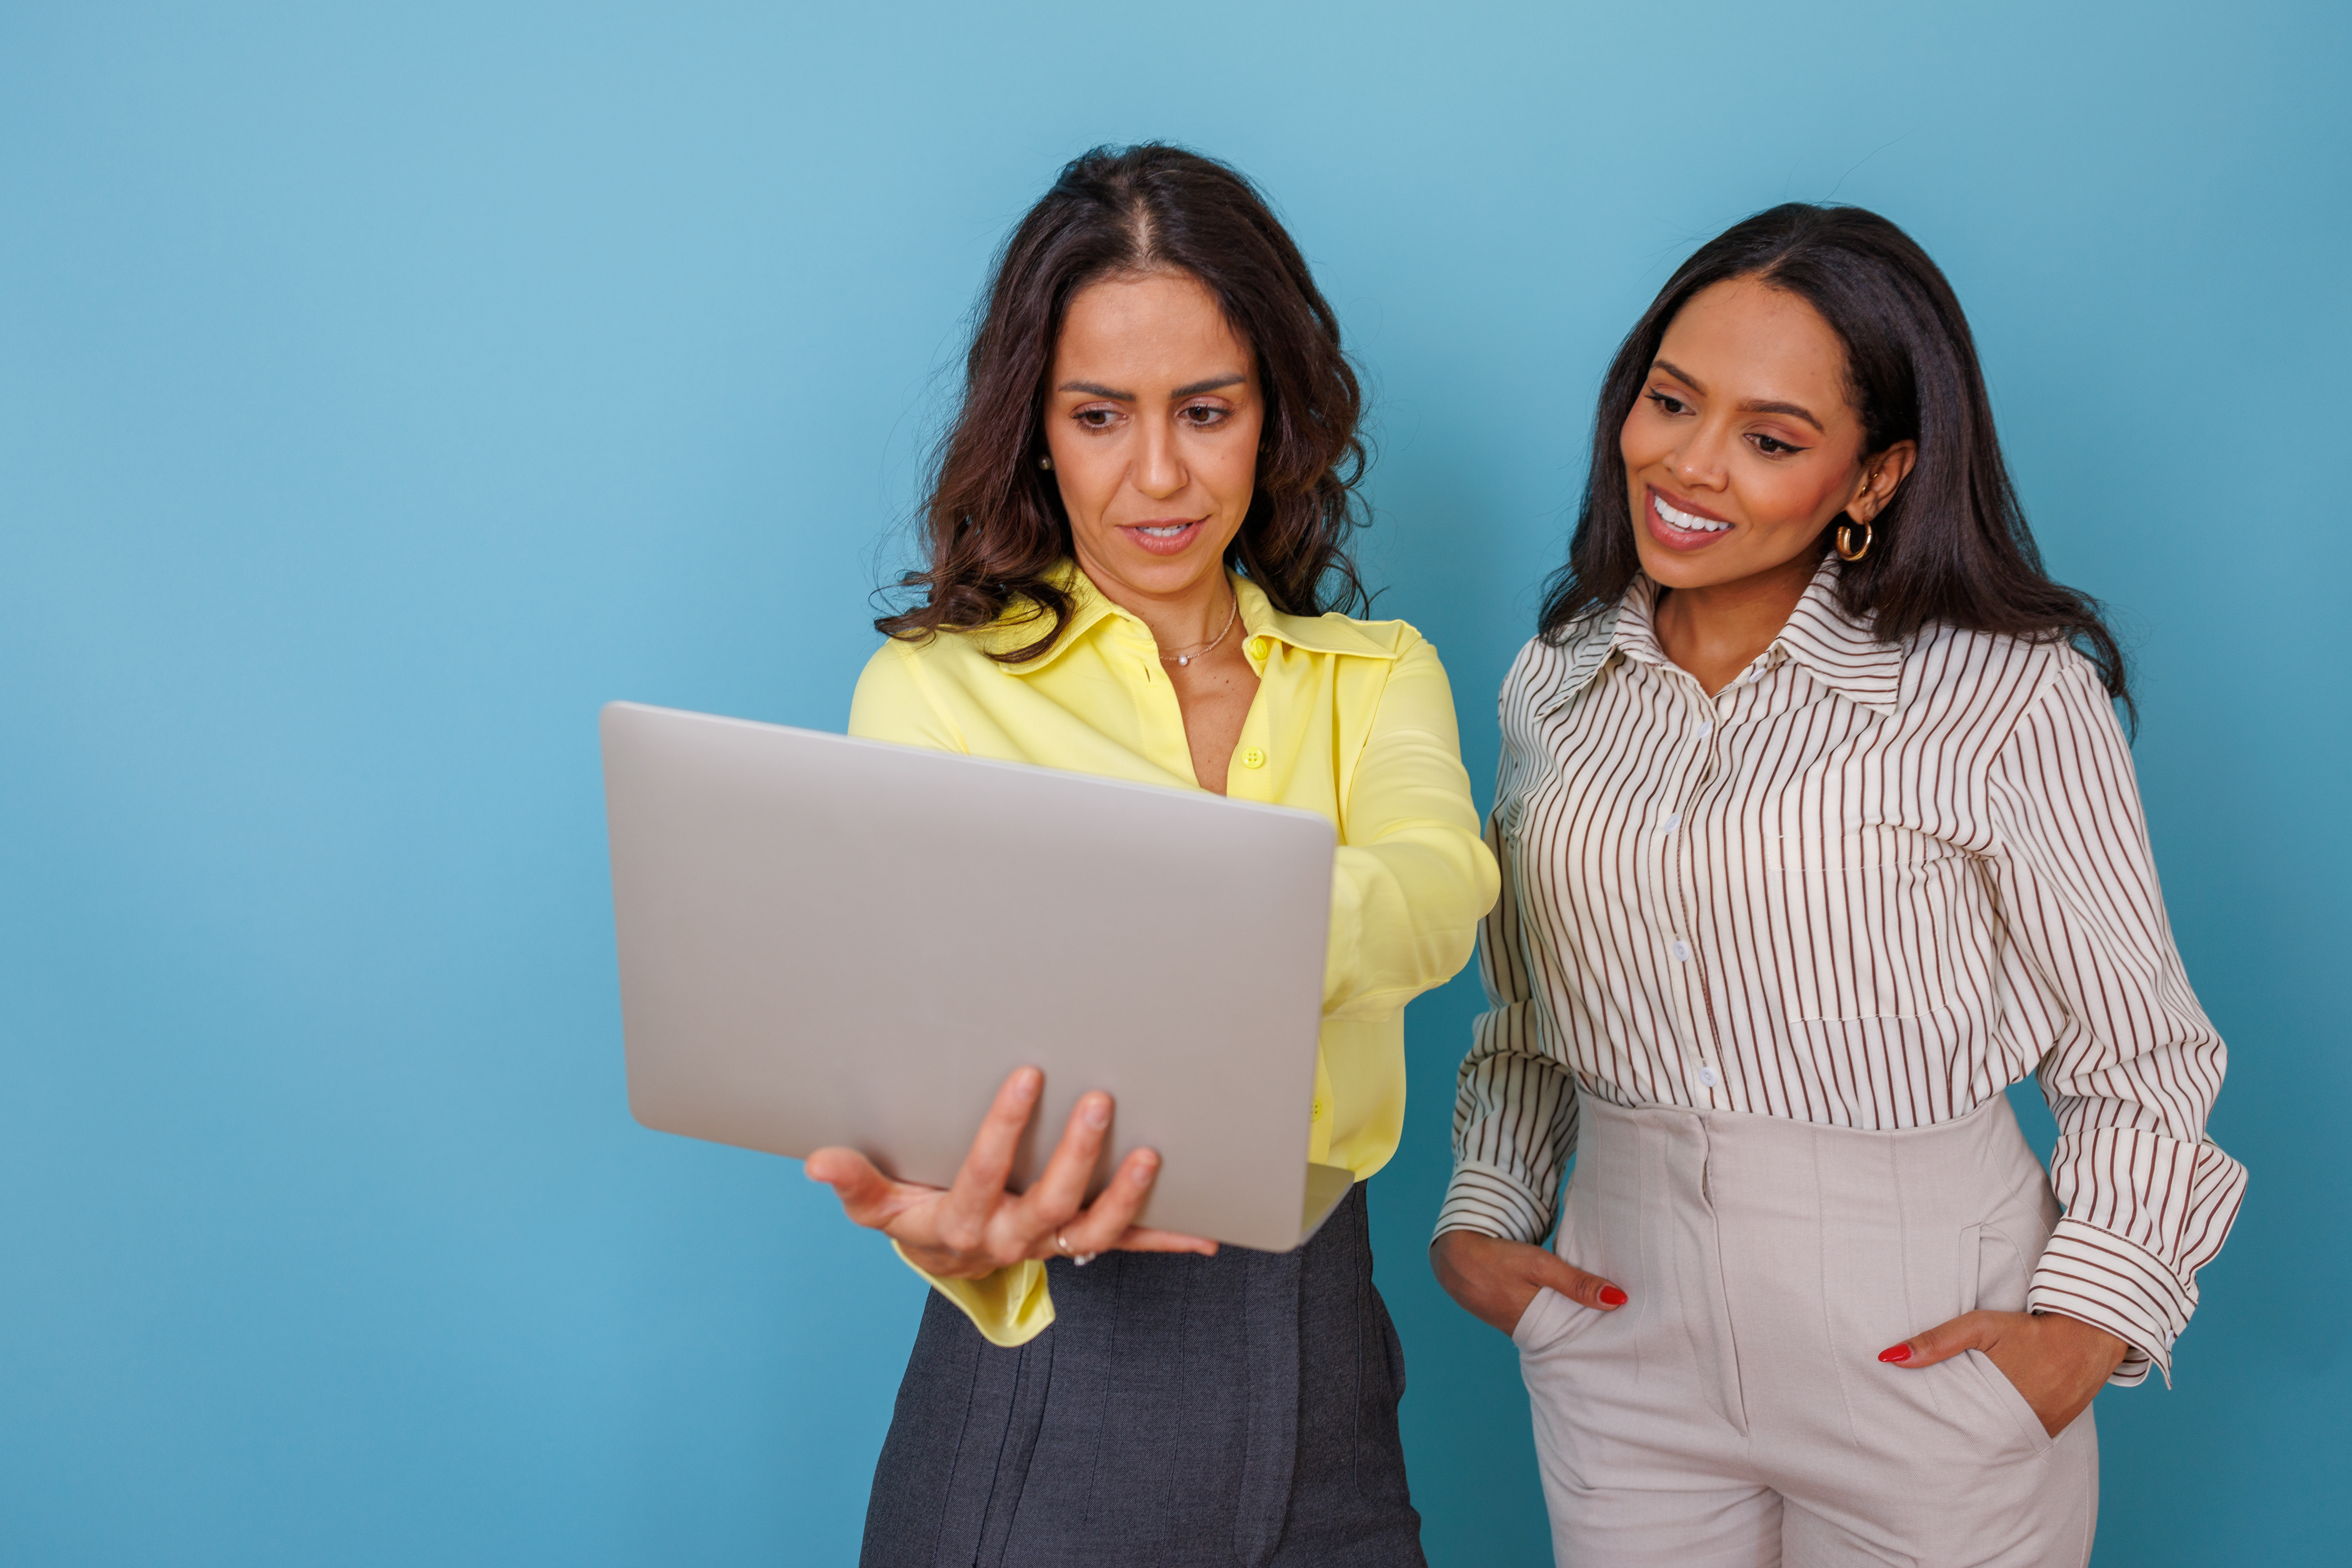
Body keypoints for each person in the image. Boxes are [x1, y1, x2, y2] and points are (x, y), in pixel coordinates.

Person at [1430, 203, 2245, 1567]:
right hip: (1622, 1328)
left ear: (1876, 477)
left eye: (1772, 438)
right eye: (1670, 401)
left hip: (1924, 1339)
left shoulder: (2004, 695)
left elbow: (2143, 1052)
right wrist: (1484, 1213)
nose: (1689, 466)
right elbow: (1527, 1008)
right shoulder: (1557, 677)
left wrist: (2081, 1335)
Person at [805, 144, 1499, 1568]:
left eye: (1208, 410)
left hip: (1329, 1362)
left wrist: (1154, 920)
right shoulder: (937, 693)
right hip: (1047, 1358)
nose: (1160, 475)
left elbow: (1443, 897)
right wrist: (948, 1229)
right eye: (1101, 415)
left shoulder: (1375, 677)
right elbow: (919, 1065)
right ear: (1037, 429)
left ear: (1274, 417)